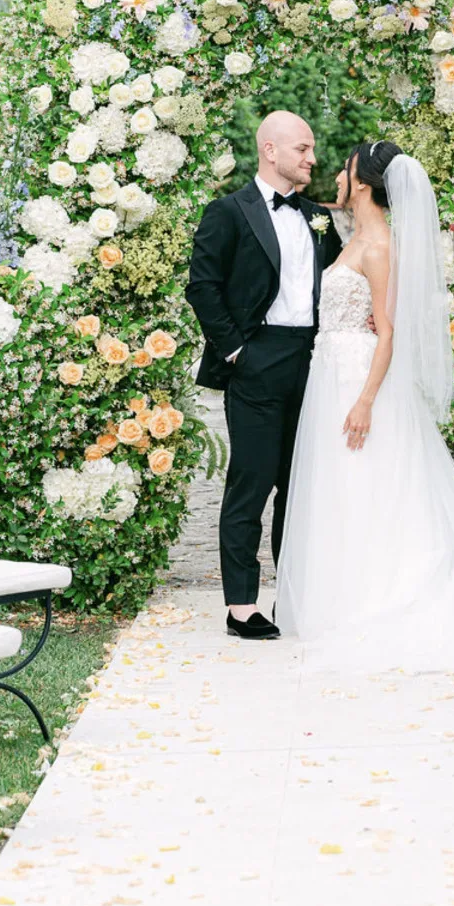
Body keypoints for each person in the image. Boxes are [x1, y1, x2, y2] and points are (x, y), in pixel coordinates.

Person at [274, 140, 454, 670]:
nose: (333, 173)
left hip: (357, 382)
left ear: (360, 181)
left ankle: (378, 600)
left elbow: (389, 332)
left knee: (367, 486)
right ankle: (342, 597)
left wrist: (366, 401)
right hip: (331, 373)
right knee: (342, 490)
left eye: (344, 168)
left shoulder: (379, 245)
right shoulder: (357, 236)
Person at [186, 111, 342, 639]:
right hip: (256, 360)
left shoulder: (318, 217)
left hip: (313, 361)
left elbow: (340, 281)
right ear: (271, 151)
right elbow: (202, 287)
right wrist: (236, 353)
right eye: (303, 148)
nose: (312, 158)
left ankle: (294, 598)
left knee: (299, 489)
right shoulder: (228, 212)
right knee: (250, 485)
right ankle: (243, 607)